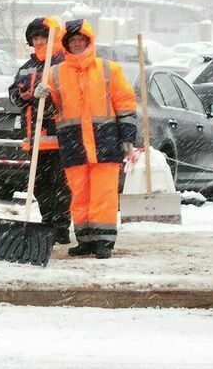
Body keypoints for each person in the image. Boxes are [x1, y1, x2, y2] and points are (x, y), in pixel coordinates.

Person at [42, 19, 137, 259]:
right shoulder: (55, 74)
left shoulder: (109, 69)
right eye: (72, 40)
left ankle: (103, 241)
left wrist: (127, 136)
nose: (77, 44)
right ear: (66, 44)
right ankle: (85, 239)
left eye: (81, 40)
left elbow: (125, 103)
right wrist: (40, 96)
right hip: (73, 143)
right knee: (80, 195)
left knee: (104, 195)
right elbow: (51, 111)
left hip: (105, 142)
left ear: (88, 41)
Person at [8, 16, 72, 245]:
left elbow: (70, 96)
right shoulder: (27, 68)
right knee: (39, 184)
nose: (38, 42)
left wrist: (51, 97)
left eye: (42, 37)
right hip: (35, 137)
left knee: (61, 185)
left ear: (52, 38)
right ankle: (47, 222)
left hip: (60, 137)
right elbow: (14, 95)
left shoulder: (63, 64)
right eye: (34, 38)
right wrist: (26, 95)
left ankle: (61, 227)